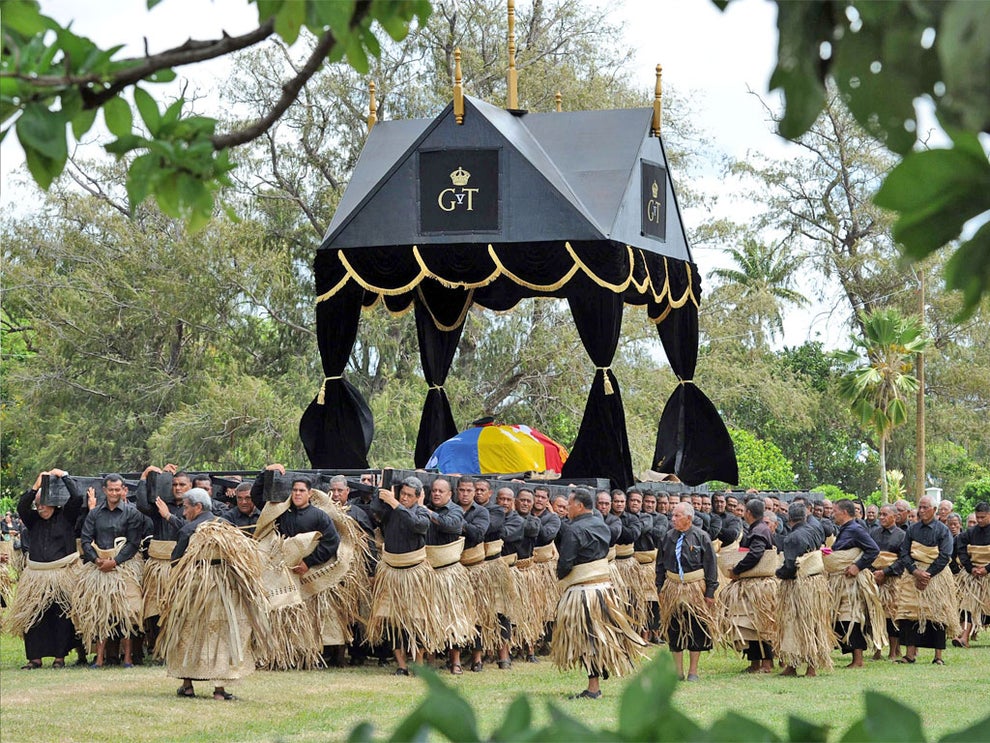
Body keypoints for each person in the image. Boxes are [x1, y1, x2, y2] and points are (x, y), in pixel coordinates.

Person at [158, 488, 269, 700]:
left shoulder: (188, 530)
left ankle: (188, 684)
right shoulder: (226, 526)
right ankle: (219, 690)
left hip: (195, 588)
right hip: (224, 589)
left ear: (198, 507)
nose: (183, 513)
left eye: (186, 507)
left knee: (188, 631)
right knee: (221, 635)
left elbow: (175, 561)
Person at [551, 488, 646, 699]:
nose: (567, 508)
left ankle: (593, 687)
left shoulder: (572, 530)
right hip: (604, 590)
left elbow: (565, 563)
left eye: (570, 504)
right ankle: (598, 676)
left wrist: (561, 574)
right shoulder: (601, 524)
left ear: (580, 506)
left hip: (583, 593)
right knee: (601, 635)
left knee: (586, 638)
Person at [7, 470, 83, 669]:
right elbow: (22, 506)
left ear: (54, 503)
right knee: (33, 616)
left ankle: (60, 658)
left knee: (61, 615)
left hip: (61, 575)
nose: (41, 508)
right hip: (37, 575)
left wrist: (65, 476)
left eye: (45, 504)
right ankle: (35, 658)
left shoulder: (67, 517)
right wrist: (36, 485)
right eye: (38, 504)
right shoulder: (33, 521)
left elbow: (77, 497)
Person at [368, 476, 442, 676]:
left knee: (417, 620)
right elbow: (374, 510)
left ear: (418, 497)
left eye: (409, 496)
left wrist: (396, 504)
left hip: (414, 574)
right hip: (391, 571)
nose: (405, 498)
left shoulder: (421, 513)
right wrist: (383, 490)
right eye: (403, 494)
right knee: (393, 620)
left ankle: (418, 663)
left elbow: (418, 526)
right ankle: (401, 665)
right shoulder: (389, 510)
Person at [74, 474, 146, 668]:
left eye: (117, 489)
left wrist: (115, 562)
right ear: (104, 490)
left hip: (124, 566)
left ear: (124, 490)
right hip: (98, 566)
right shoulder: (94, 514)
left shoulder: (132, 513)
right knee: (99, 609)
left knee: (128, 610)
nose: (114, 493)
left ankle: (128, 658)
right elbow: (86, 539)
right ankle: (99, 659)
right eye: (110, 489)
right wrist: (97, 560)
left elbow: (133, 543)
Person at [656, 502, 719, 682]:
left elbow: (711, 566)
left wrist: (710, 592)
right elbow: (659, 565)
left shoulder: (701, 537)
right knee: (674, 626)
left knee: (696, 626)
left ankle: (693, 671)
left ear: (688, 518)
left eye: (677, 516)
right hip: (672, 587)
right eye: (672, 515)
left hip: (695, 588)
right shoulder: (667, 538)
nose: (673, 519)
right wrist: (660, 588)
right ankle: (678, 671)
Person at [894, 494, 959, 665]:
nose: (921, 511)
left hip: (936, 576)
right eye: (920, 507)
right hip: (913, 574)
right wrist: (915, 572)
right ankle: (909, 654)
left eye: (925, 508)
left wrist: (927, 574)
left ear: (934, 510)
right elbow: (904, 553)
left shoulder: (943, 530)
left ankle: (938, 656)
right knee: (910, 613)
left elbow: (945, 555)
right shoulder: (912, 529)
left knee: (937, 615)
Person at [774, 501, 832, 677]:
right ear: (805, 516)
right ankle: (802, 666)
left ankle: (801, 666)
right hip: (817, 585)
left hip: (801, 586)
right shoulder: (815, 530)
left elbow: (791, 567)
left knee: (795, 623)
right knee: (813, 624)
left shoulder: (792, 538)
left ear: (789, 518)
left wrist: (779, 572)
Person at [825, 499, 885, 668]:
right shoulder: (845, 529)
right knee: (843, 618)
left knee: (852, 617)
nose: (832, 514)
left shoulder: (856, 529)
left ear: (844, 512)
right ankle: (854, 657)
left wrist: (857, 566)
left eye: (835, 511)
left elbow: (873, 550)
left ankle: (858, 660)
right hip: (841, 582)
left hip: (852, 583)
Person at [723, 498, 778, 673]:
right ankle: (755, 662)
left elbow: (755, 554)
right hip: (750, 585)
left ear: (748, 513)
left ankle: (766, 663)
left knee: (761, 624)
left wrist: (737, 570)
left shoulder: (760, 530)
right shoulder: (758, 528)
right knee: (749, 624)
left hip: (758, 587)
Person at [870, 504, 906, 660]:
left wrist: (885, 572)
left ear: (895, 517)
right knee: (875, 614)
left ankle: (893, 651)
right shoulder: (873, 533)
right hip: (875, 579)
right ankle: (877, 650)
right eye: (881, 515)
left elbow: (903, 559)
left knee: (891, 616)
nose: (882, 517)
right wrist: (874, 573)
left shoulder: (902, 535)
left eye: (885, 514)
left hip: (893, 581)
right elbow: (868, 553)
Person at [953, 501, 989, 648]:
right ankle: (964, 637)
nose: (979, 520)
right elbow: (961, 549)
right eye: (977, 517)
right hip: (973, 577)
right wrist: (970, 568)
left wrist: (987, 569)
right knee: (967, 603)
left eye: (983, 517)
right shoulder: (970, 533)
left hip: (987, 574)